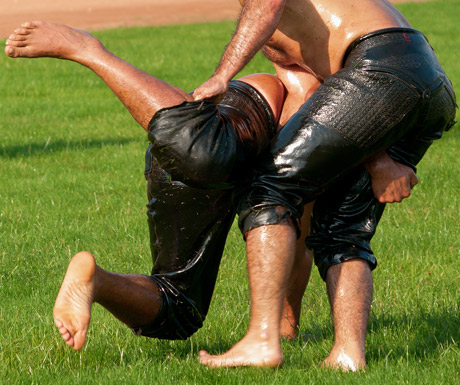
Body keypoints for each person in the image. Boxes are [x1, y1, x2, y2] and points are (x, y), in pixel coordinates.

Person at [4, 20, 413, 367]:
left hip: (193, 162)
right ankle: (89, 50)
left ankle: (96, 282)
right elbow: (299, 215)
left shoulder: (345, 71)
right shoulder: (329, 66)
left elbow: (296, 235)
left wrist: (286, 327)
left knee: (178, 312)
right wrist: (377, 162)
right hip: (234, 125)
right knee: (205, 152)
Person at [192, 0, 457, 370]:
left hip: (378, 71)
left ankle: (260, 341)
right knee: (341, 228)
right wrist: (377, 160)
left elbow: (267, 5)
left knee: (267, 192)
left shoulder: (266, 11)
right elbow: (322, 99)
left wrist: (223, 75)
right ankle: (348, 355)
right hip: (428, 80)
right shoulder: (297, 22)